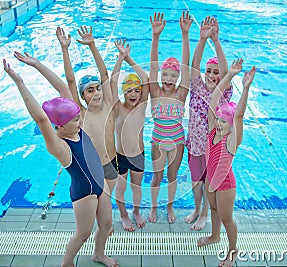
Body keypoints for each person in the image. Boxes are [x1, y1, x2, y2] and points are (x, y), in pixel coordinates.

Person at [3, 59, 118, 267]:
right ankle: (67, 263)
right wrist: (20, 82)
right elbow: (41, 119)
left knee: (107, 224)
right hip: (85, 193)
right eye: (75, 120)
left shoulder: (76, 128)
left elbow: (63, 88)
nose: (81, 121)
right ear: (60, 126)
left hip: (102, 182)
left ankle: (99, 255)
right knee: (83, 234)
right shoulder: (61, 148)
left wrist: (36, 65)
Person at [197, 58, 256, 267]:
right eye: (219, 119)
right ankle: (214, 236)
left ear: (232, 127)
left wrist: (245, 88)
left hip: (225, 185)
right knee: (213, 211)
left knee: (227, 219)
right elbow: (214, 98)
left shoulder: (231, 141)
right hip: (211, 179)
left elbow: (238, 116)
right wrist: (229, 75)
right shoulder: (213, 130)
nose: (220, 124)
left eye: (225, 121)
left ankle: (233, 251)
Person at [56, 26, 120, 195]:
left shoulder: (108, 106)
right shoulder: (82, 114)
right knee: (97, 201)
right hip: (92, 166)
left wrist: (92, 45)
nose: (97, 92)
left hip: (112, 163)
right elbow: (70, 81)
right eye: (90, 90)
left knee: (107, 200)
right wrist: (65, 49)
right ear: (82, 97)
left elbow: (104, 74)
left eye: (98, 88)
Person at [185, 16, 233, 231]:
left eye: (216, 73)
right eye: (209, 71)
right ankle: (197, 208)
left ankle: (205, 212)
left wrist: (216, 41)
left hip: (213, 147)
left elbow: (225, 72)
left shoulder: (223, 93)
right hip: (194, 144)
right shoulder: (196, 86)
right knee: (196, 181)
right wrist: (202, 39)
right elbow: (194, 65)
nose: (212, 75)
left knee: (209, 183)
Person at [148, 11, 192, 224]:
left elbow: (186, 65)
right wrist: (155, 36)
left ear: (178, 78)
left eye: (173, 76)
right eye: (165, 75)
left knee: (172, 177)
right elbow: (153, 65)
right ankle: (154, 208)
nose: (168, 78)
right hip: (158, 141)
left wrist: (185, 34)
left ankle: (170, 207)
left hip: (177, 141)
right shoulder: (154, 92)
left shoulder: (181, 93)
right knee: (157, 177)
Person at [110, 39, 149, 231]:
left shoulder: (142, 106)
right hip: (120, 157)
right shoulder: (117, 108)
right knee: (120, 188)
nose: (133, 94)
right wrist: (120, 58)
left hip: (138, 155)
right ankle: (124, 214)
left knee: (136, 187)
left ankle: (136, 211)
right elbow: (113, 81)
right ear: (124, 93)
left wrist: (129, 59)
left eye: (137, 91)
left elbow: (147, 79)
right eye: (129, 91)